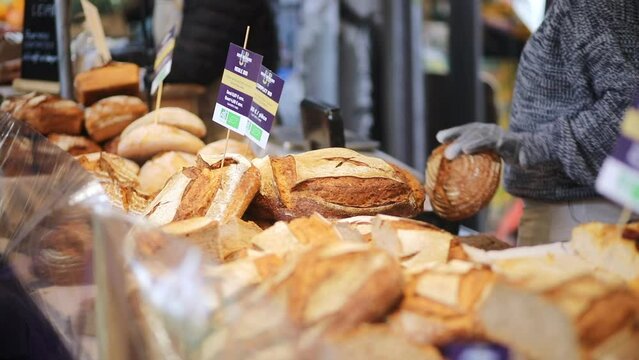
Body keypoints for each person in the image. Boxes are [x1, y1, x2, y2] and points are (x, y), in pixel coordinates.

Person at [437, 0, 639, 246]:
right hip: (574, 210)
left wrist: (527, 147)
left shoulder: (591, 5)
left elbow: (627, 109)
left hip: (580, 214)